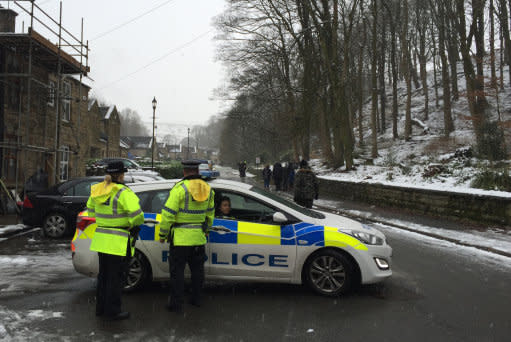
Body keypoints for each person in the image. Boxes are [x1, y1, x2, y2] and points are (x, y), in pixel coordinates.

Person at [86, 161, 144, 321]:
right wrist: (131, 224)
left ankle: (101, 308)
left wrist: (105, 219)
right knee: (116, 278)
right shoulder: (123, 192)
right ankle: (113, 311)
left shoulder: (98, 190)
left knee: (103, 276)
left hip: (101, 240)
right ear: (120, 175)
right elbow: (138, 216)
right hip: (118, 241)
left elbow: (90, 210)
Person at [159, 159, 215, 313]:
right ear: (197, 171)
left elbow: (168, 215)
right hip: (198, 238)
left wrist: (163, 234)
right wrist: (207, 229)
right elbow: (210, 214)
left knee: (177, 273)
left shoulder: (180, 189)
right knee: (197, 272)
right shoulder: (208, 189)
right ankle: (196, 299)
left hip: (180, 240)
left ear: (184, 172)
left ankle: (176, 303)